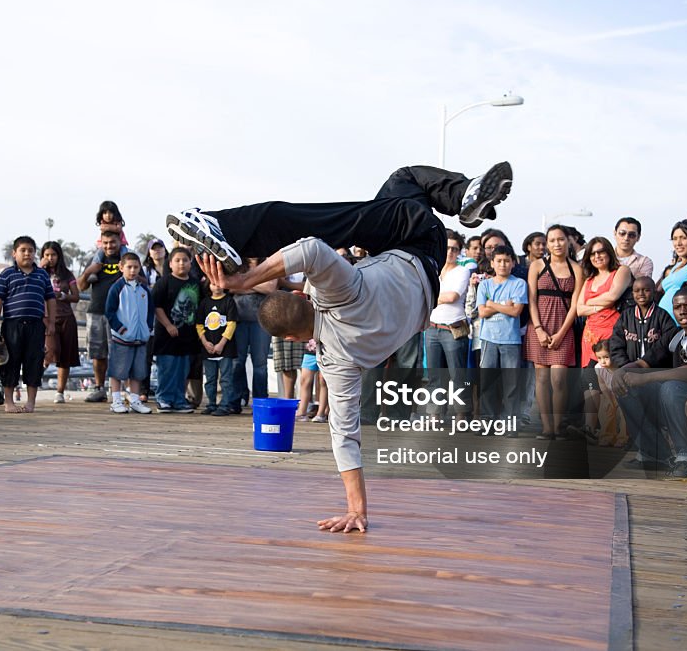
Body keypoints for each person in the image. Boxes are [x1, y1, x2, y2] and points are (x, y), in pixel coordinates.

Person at [169, 161, 513, 532]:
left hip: (415, 276)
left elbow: (344, 435)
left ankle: (464, 199)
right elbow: (312, 250)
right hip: (412, 237)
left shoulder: (336, 361)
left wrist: (357, 510)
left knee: (397, 189)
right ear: (305, 300)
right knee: (343, 206)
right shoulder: (340, 295)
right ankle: (224, 226)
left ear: (291, 338)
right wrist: (247, 279)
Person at [614, 281, 687, 476]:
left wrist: (646, 379)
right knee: (627, 386)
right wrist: (621, 372)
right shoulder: (675, 335)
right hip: (676, 401)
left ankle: (685, 456)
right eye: (677, 307)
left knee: (670, 387)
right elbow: (643, 363)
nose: (682, 311)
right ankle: (654, 455)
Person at [524, 225, 584, 439]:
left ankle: (559, 426)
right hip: (539, 325)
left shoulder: (576, 268)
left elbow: (576, 305)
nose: (557, 244)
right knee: (541, 379)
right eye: (552, 240)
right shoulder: (537, 265)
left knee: (558, 379)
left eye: (561, 239)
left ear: (568, 241)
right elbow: (531, 299)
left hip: (563, 326)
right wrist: (539, 329)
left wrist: (561, 333)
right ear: (547, 243)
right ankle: (547, 427)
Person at [0, 236, 57, 413]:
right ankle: (9, 402)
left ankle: (31, 402)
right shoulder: (7, 274)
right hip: (12, 325)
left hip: (36, 324)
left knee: (34, 361)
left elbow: (50, 299)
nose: (27, 254)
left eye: (31, 251)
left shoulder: (42, 274)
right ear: (14, 253)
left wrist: (51, 323)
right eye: (23, 250)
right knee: (10, 362)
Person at [476, 245, 527, 434]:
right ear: (492, 263)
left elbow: (516, 311)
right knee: (488, 381)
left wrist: (492, 304)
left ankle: (510, 423)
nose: (503, 264)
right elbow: (482, 312)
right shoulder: (485, 285)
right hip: (488, 339)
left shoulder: (519, 284)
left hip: (511, 340)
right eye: (499, 261)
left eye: (507, 260)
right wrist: (502, 305)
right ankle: (488, 421)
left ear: (513, 263)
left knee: (511, 383)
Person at [425, 230, 472, 419]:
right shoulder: (433, 268)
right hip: (432, 327)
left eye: (454, 249)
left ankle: (461, 414)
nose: (450, 252)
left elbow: (452, 296)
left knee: (458, 376)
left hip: (453, 328)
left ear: (459, 251)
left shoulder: (462, 271)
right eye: (447, 247)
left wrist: (429, 297)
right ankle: (434, 414)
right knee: (435, 377)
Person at [103, 252, 154, 414]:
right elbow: (109, 311)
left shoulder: (144, 289)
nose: (133, 270)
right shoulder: (117, 288)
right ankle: (116, 400)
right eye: (129, 267)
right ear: (121, 267)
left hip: (141, 337)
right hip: (122, 338)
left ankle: (135, 400)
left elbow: (150, 311)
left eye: (136, 267)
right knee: (117, 370)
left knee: (138, 372)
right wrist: (120, 328)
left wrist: (148, 327)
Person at [152, 247, 201, 413]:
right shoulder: (164, 282)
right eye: (177, 260)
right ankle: (164, 399)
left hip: (188, 335)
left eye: (185, 260)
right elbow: (157, 307)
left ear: (190, 262)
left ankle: (179, 400)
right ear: (170, 263)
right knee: (167, 368)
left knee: (183, 370)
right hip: (166, 336)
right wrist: (168, 325)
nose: (182, 263)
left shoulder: (195, 283)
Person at [78, 230, 123, 403]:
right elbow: (81, 286)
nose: (109, 246)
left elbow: (139, 280)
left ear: (119, 242)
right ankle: (99, 388)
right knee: (98, 354)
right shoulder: (96, 260)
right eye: (105, 243)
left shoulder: (126, 259)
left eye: (112, 242)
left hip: (119, 313)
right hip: (96, 311)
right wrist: (91, 269)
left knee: (119, 353)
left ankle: (118, 390)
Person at [577, 237, 632, 368]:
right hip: (590, 335)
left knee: (612, 379)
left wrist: (589, 301)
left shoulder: (621, 270)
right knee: (590, 383)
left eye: (601, 252)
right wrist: (599, 306)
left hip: (611, 332)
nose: (597, 256)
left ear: (609, 252)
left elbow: (613, 296)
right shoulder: (589, 280)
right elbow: (579, 310)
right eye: (592, 253)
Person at [230, 257, 275, 411]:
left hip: (262, 321)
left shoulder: (269, 264)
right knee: (237, 361)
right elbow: (231, 288)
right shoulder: (237, 265)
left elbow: (271, 288)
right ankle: (236, 399)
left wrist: (246, 284)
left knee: (260, 364)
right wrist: (258, 285)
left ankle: (260, 401)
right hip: (238, 320)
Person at [609, 276, 678, 370]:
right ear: (632, 293)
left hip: (656, 372)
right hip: (629, 372)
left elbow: (667, 345)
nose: (641, 294)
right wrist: (627, 366)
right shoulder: (625, 316)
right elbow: (615, 344)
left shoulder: (663, 316)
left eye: (646, 290)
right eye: (637, 291)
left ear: (654, 291)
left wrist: (647, 364)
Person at [41, 241, 81, 403]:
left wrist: (63, 296)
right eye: (47, 255)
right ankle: (34, 380)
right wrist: (40, 268)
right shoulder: (38, 273)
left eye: (53, 255)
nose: (50, 258)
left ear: (59, 256)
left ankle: (60, 391)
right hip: (46, 318)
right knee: (50, 351)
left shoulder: (67, 274)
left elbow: (76, 296)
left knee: (65, 356)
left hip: (66, 317)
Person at [196, 278, 239, 416]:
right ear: (209, 285)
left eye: (220, 283)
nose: (217, 286)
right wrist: (204, 341)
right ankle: (211, 404)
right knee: (210, 379)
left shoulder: (229, 301)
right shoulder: (204, 302)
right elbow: (199, 325)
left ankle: (225, 404)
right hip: (208, 348)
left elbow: (232, 324)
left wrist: (221, 343)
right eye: (214, 283)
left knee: (226, 379)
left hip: (225, 348)